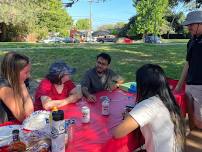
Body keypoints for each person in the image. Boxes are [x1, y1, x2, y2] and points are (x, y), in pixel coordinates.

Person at [113, 64, 185, 152]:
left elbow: (118, 133)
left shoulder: (148, 105)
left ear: (143, 85)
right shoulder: (168, 99)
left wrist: (128, 117)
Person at [175, 10, 202, 129]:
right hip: (190, 85)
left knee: (199, 121)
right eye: (188, 25)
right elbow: (188, 64)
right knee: (191, 117)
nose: (188, 27)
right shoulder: (191, 41)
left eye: (191, 24)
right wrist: (179, 86)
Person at [0, 52, 34, 123]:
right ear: (14, 72)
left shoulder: (19, 81)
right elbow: (25, 118)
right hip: (6, 129)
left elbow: (30, 113)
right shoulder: (4, 88)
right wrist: (22, 85)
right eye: (26, 72)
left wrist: (22, 85)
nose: (29, 76)